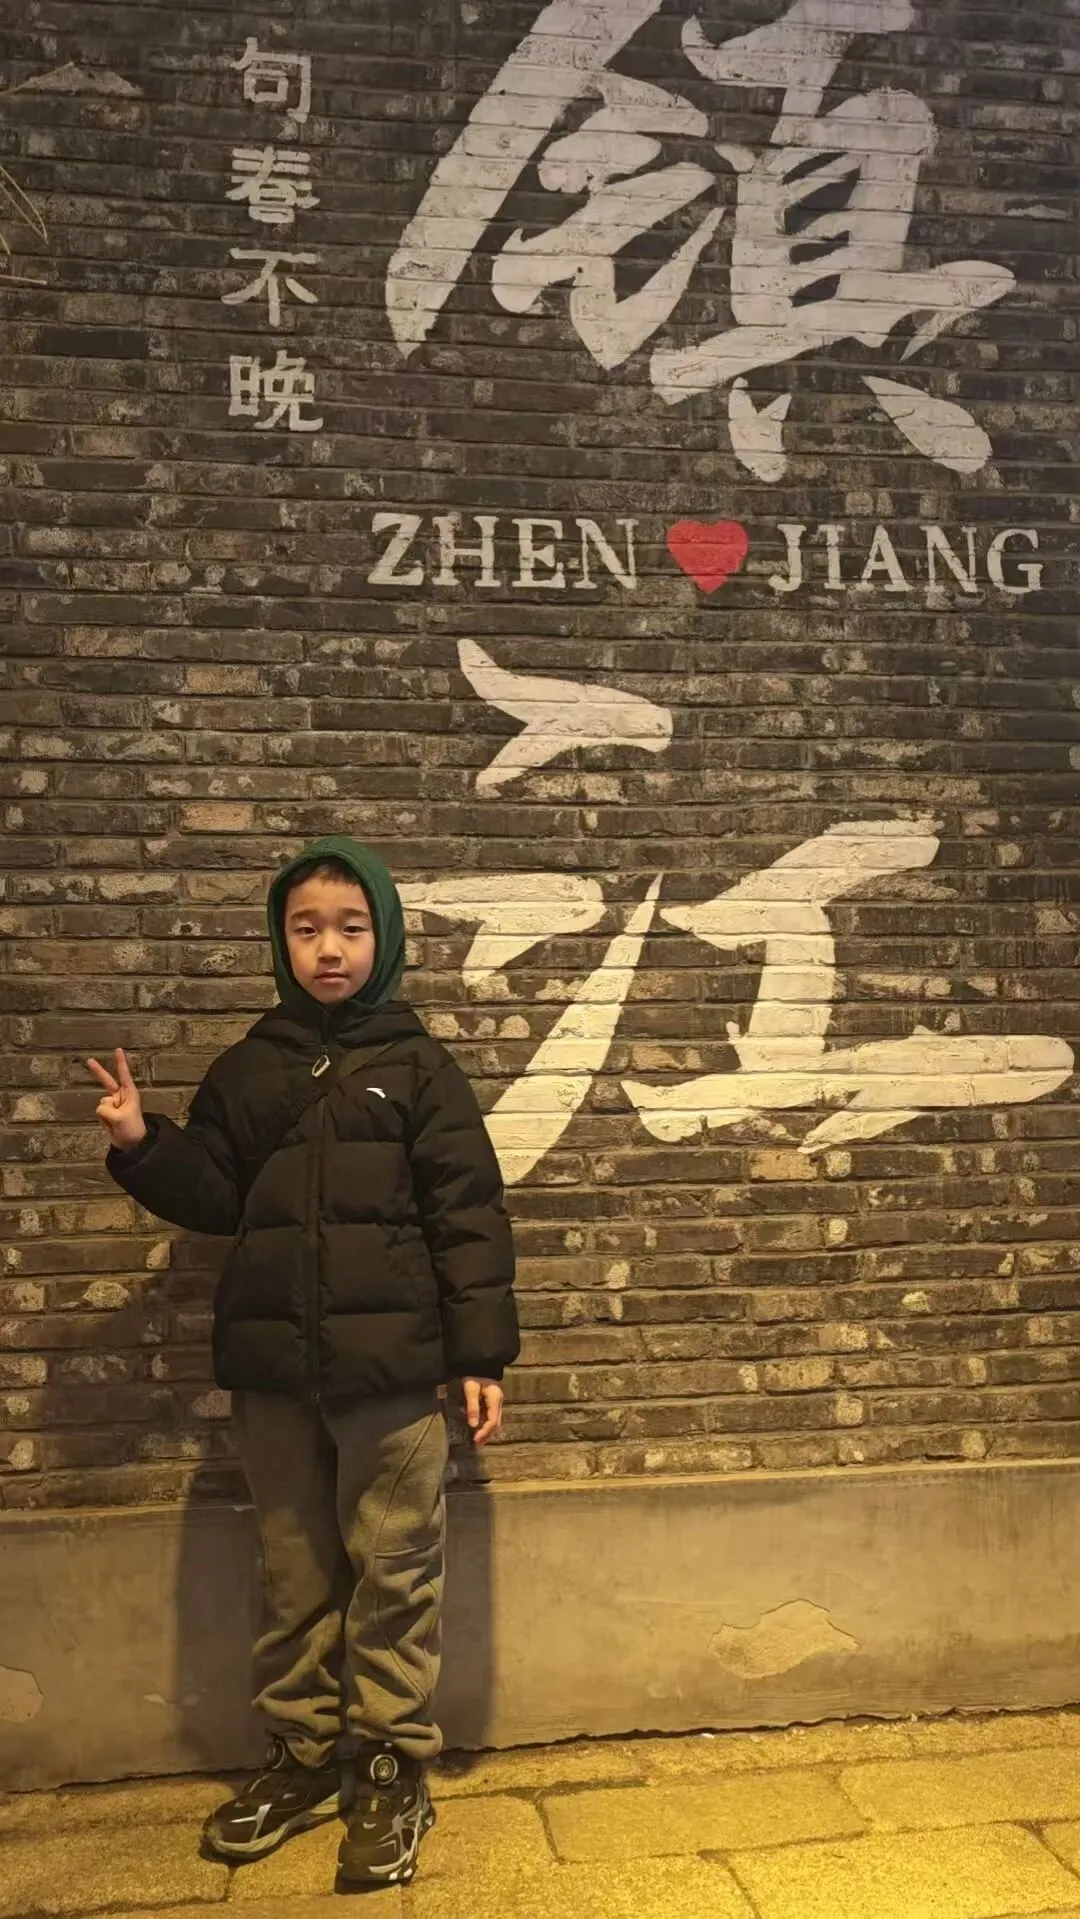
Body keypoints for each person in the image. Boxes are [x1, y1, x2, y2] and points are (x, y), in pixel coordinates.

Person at [87, 836, 519, 1889]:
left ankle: (391, 1762)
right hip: (276, 1376)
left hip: (393, 1380)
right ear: (281, 942)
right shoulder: (252, 1066)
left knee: (395, 1574)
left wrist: (480, 1355)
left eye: (351, 927)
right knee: (294, 1575)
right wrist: (142, 1140)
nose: (330, 948)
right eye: (307, 928)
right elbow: (215, 1193)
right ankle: (304, 1755)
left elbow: (469, 1217)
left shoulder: (421, 1068)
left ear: (385, 936)